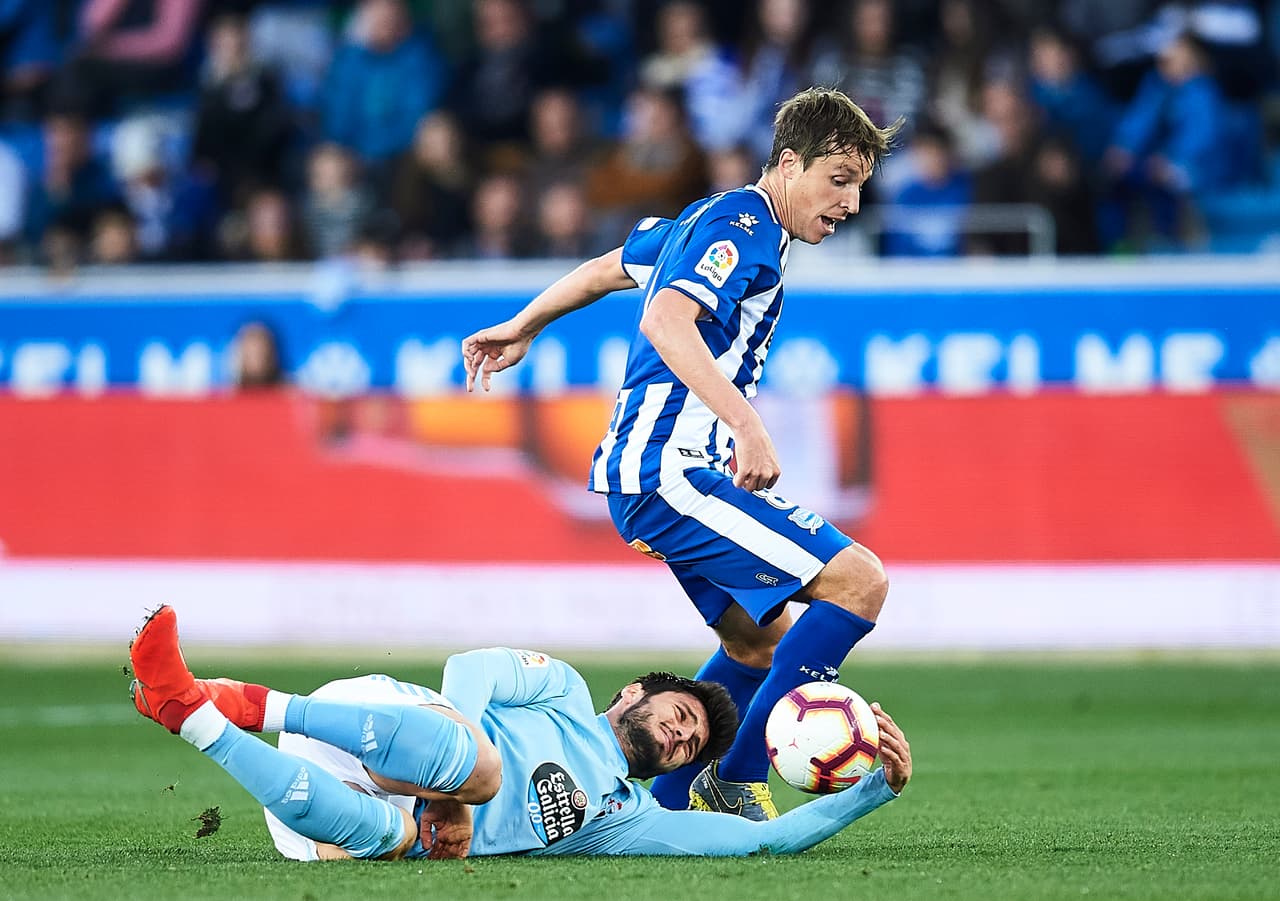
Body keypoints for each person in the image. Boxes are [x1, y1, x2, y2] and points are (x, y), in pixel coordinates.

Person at [462, 87, 901, 821]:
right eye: (839, 179)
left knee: (756, 642)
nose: (851, 202)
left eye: (859, 185)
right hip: (671, 469)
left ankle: (659, 805)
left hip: (649, 474)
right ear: (789, 164)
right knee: (858, 582)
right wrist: (748, 424)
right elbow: (667, 320)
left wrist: (524, 322)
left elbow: (611, 265)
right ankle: (736, 779)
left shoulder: (714, 220)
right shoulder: (743, 227)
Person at [129, 605, 911, 860]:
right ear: (634, 692)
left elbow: (759, 844)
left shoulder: (624, 820)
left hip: (316, 812)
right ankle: (258, 703)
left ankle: (194, 715)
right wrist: (460, 791)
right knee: (481, 765)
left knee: (394, 843)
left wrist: (877, 788)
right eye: (679, 717)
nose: (677, 739)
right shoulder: (564, 689)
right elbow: (470, 666)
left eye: (689, 746)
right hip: (370, 722)